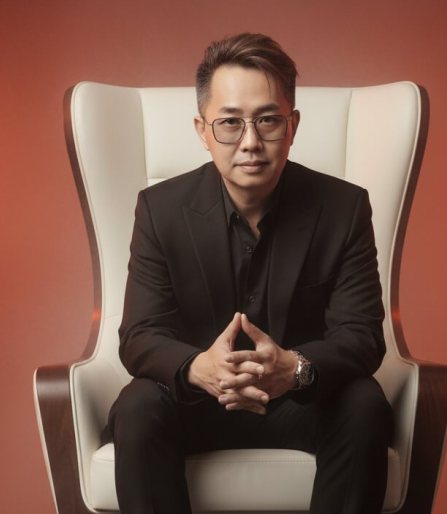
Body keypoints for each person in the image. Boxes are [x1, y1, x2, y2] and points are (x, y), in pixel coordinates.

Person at [108, 32, 393, 514]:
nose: (250, 143)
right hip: (197, 403)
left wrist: (295, 368)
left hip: (299, 403)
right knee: (137, 406)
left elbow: (362, 336)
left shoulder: (343, 208)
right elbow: (140, 335)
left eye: (268, 120)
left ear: (292, 125)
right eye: (229, 123)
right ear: (202, 130)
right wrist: (198, 368)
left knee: (363, 402)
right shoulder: (159, 210)